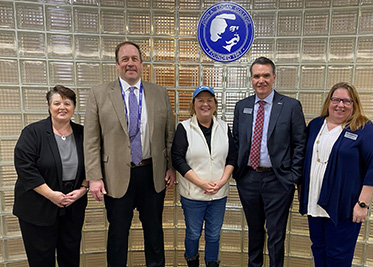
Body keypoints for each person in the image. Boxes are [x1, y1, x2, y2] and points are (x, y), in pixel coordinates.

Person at [84, 41, 175, 267]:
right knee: (117, 235)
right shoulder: (99, 94)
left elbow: (169, 134)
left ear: (142, 64)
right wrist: (94, 176)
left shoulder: (159, 93)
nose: (130, 63)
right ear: (117, 65)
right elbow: (91, 140)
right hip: (114, 176)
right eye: (125, 59)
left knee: (154, 233)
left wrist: (171, 166)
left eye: (134, 59)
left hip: (151, 174)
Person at [299, 82, 373, 266]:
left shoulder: (363, 129)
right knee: (319, 250)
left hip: (344, 207)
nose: (340, 105)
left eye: (347, 101)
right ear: (329, 101)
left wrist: (363, 203)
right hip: (315, 202)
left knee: (338, 257)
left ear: (354, 104)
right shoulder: (315, 125)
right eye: (336, 99)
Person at [233, 57, 307, 267]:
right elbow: (237, 141)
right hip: (248, 179)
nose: (261, 80)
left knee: (276, 235)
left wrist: (292, 177)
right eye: (257, 76)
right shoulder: (242, 107)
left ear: (274, 77)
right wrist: (238, 172)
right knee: (254, 232)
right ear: (251, 79)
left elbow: (300, 144)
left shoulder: (290, 106)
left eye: (266, 75)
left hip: (278, 180)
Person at [13, 85, 88, 267]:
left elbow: (93, 164)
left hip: (72, 205)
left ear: (74, 107)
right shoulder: (33, 132)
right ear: (49, 106)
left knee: (70, 257)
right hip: (37, 206)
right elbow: (25, 168)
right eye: (57, 103)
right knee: (41, 260)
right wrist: (51, 195)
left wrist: (83, 189)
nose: (62, 107)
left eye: (67, 103)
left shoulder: (83, 134)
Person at [171, 86, 237, 267]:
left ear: (215, 104)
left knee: (214, 235)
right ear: (194, 105)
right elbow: (177, 159)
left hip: (218, 194)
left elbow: (232, 156)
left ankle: (212, 263)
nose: (205, 104)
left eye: (209, 100)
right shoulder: (184, 128)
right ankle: (192, 262)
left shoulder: (224, 127)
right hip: (193, 195)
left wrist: (223, 181)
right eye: (200, 100)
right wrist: (201, 183)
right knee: (193, 233)